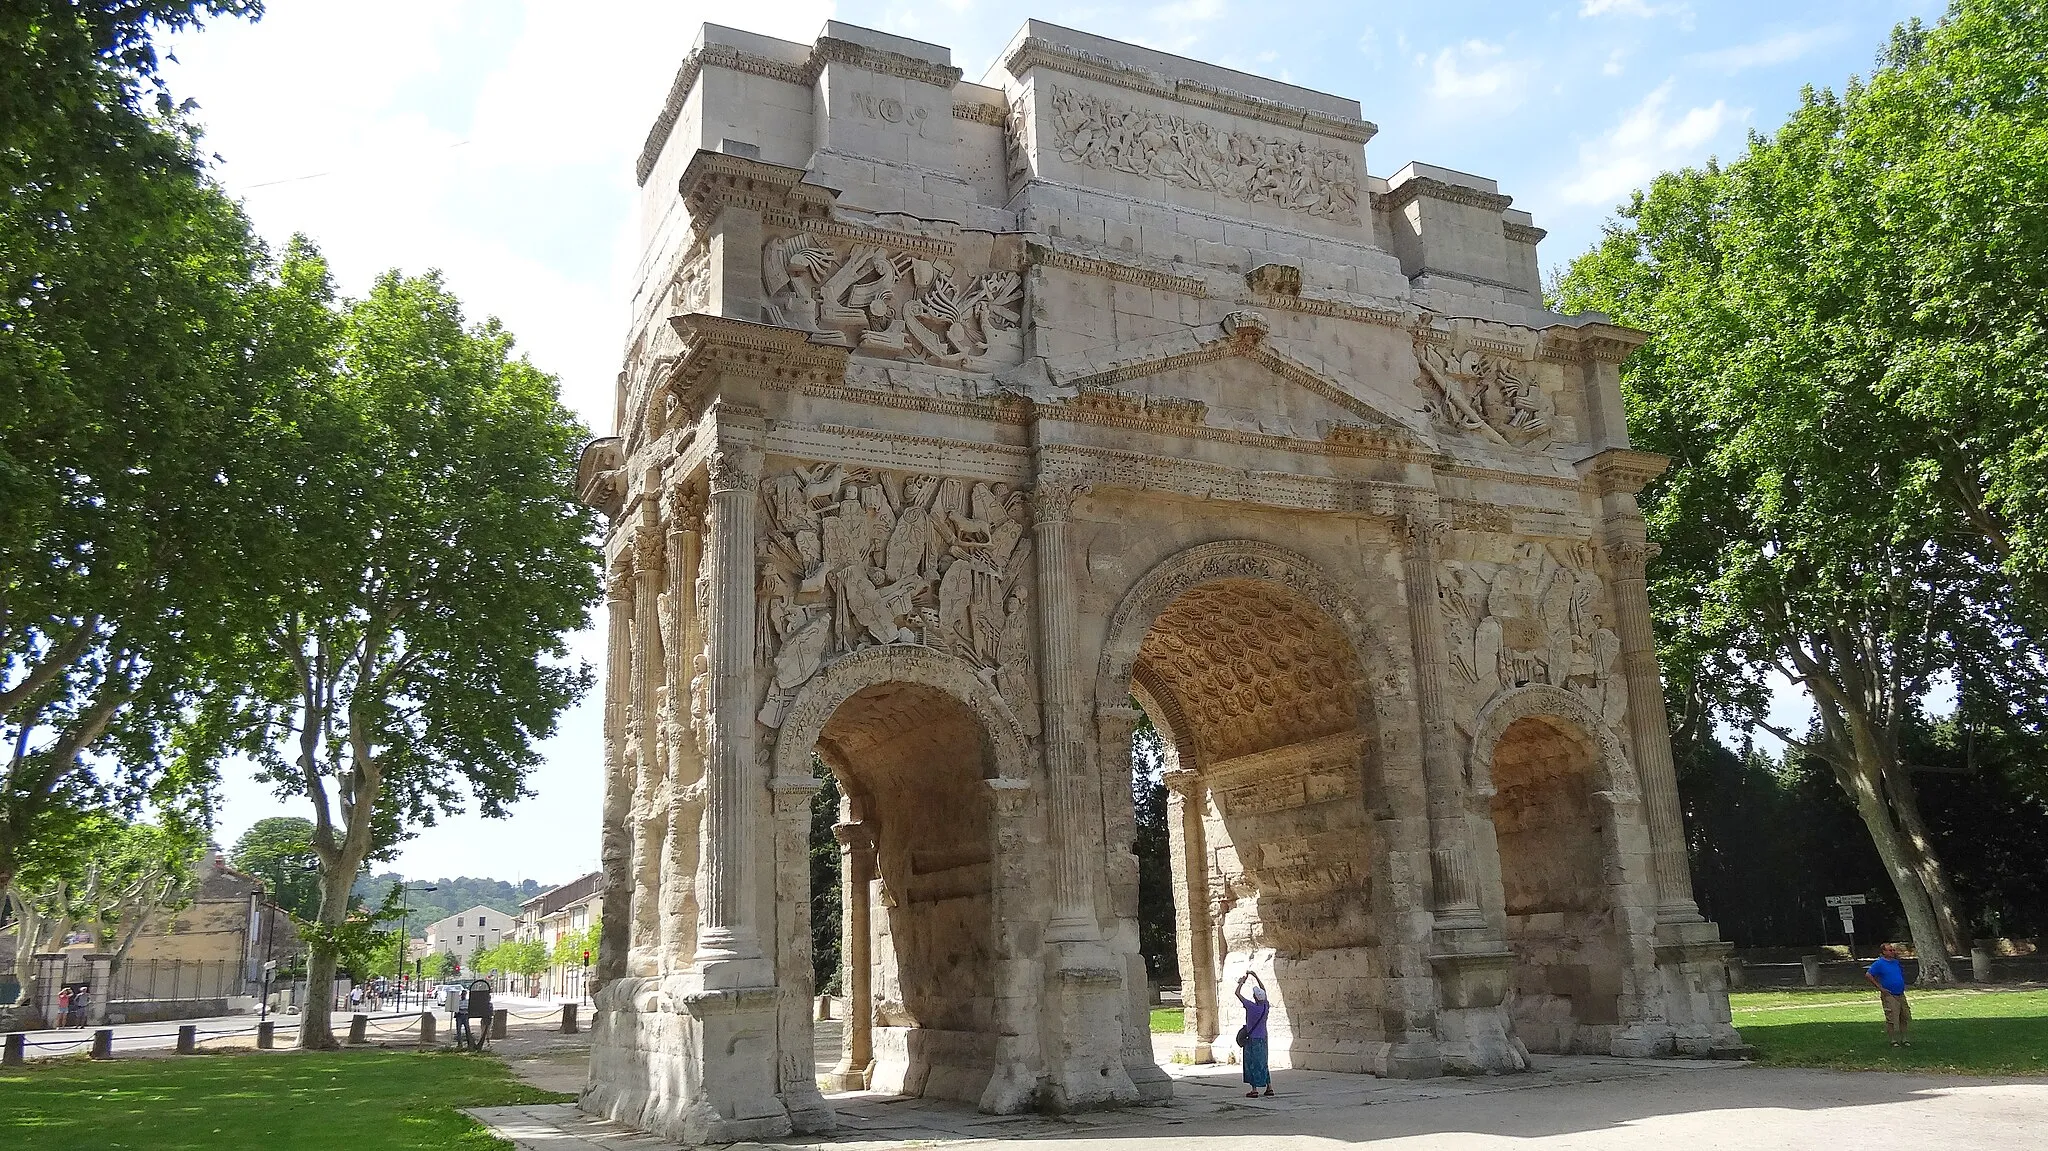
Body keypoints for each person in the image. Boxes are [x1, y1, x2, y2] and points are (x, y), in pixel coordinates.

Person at [1235, 971, 1273, 1097]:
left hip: (1252, 1039)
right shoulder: (1265, 1007)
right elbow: (1264, 989)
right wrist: (1256, 976)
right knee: (1263, 1062)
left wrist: (1242, 982)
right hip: (1263, 1038)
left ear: (1255, 998)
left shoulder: (1251, 1007)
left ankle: (1254, 1089)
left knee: (1251, 1063)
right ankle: (1269, 1087)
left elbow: (1237, 993)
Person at [1864, 942, 1911, 1047]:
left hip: (1900, 993)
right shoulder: (1879, 963)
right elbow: (1868, 975)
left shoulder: (1895, 962)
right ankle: (1893, 1040)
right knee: (1891, 1018)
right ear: (1883, 952)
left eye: (1893, 950)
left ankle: (1904, 1039)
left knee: (1904, 1016)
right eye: (1890, 950)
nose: (1892, 952)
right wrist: (1880, 988)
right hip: (1889, 994)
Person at [453, 986, 472, 1050]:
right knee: (458, 1030)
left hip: (465, 1016)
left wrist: (463, 1009)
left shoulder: (468, 1001)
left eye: (464, 994)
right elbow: (456, 1008)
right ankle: (459, 1043)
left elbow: (468, 1008)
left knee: (467, 1029)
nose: (463, 995)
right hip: (459, 1016)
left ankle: (469, 1043)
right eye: (462, 994)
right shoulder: (458, 1001)